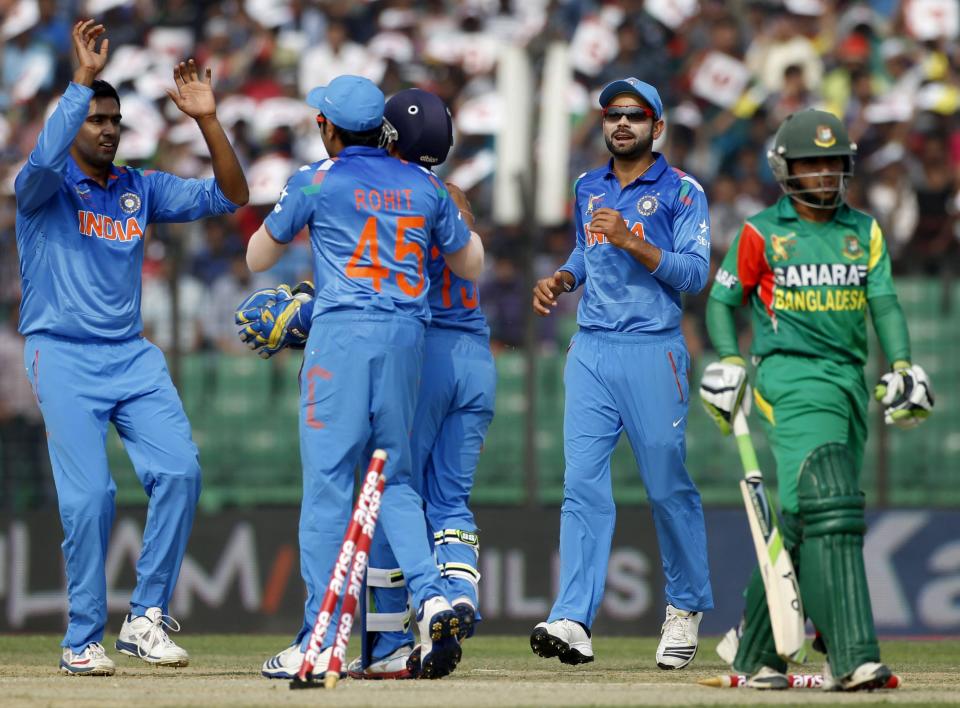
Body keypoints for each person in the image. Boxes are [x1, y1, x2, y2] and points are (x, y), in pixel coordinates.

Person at [15, 21, 248, 676]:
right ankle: (81, 637)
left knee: (180, 471)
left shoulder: (138, 188)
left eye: (115, 120)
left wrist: (207, 121)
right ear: (73, 124)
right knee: (90, 499)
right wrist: (81, 80)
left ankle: (144, 618)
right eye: (96, 120)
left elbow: (233, 196)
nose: (109, 129)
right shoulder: (45, 189)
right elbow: (37, 164)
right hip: (60, 352)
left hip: (131, 356)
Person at [239, 89, 494, 680]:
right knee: (397, 482)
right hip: (408, 337)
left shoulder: (315, 178)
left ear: (326, 125)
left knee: (330, 487)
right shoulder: (426, 186)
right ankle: (431, 595)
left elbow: (257, 257)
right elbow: (471, 264)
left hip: (341, 339)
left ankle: (318, 638)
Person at [699, 108, 934, 691]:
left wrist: (902, 365)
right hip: (790, 376)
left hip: (850, 382)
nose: (825, 173)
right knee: (831, 497)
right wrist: (730, 360)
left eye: (833, 162)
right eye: (812, 163)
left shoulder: (865, 231)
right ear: (786, 168)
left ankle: (757, 651)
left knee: (809, 514)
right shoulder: (760, 231)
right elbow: (722, 303)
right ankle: (851, 654)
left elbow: (884, 304)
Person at [530, 77, 713, 670]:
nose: (623, 124)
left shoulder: (684, 192)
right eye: (613, 115)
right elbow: (587, 249)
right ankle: (573, 618)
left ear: (657, 127)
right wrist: (563, 278)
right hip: (591, 349)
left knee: (666, 484)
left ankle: (684, 607)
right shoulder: (588, 185)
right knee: (581, 483)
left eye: (635, 115)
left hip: (654, 348)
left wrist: (631, 239)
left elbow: (693, 275)